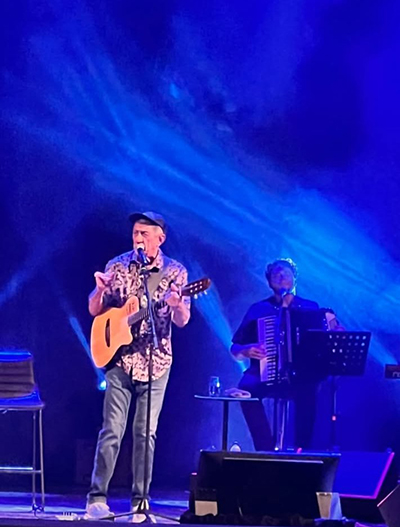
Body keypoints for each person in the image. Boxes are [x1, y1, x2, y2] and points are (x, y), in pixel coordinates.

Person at [85, 211, 191, 521]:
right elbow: (94, 309)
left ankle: (140, 502)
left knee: (146, 433)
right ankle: (96, 499)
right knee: (112, 430)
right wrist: (100, 290)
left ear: (161, 238)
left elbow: (182, 320)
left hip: (156, 361)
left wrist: (176, 305)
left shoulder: (176, 272)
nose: (138, 238)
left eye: (145, 233)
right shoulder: (117, 265)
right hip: (119, 360)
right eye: (135, 232)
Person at [231, 258, 341, 451]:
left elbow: (330, 335)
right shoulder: (258, 309)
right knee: (246, 389)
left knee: (311, 389)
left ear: (295, 278)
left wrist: (335, 330)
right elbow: (235, 349)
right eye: (276, 273)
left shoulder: (311, 308)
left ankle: (301, 451)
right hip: (265, 373)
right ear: (269, 281)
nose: (281, 276)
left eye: (286, 273)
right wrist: (246, 350)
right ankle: (265, 449)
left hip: (301, 375)